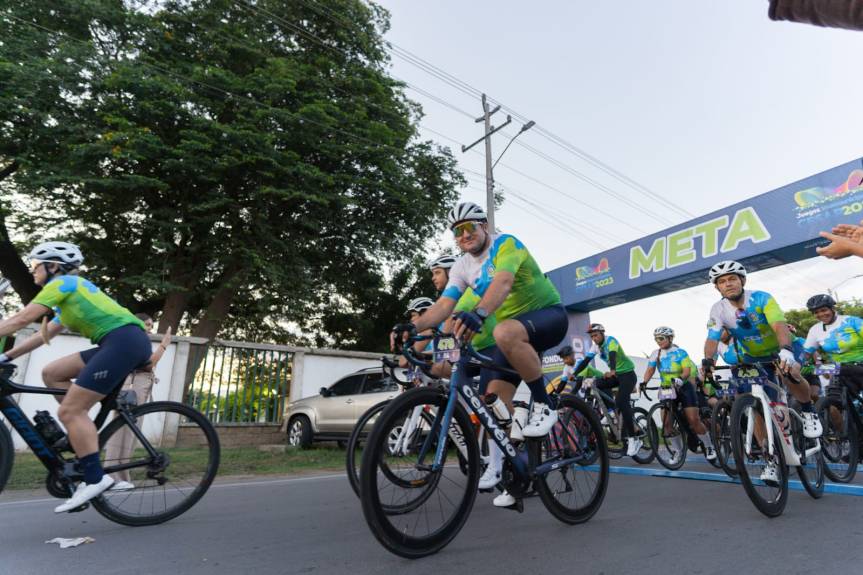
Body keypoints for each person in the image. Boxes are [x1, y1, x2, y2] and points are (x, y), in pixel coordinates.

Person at [397, 201, 567, 507]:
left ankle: (545, 404)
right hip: (510, 338)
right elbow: (445, 305)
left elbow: (503, 281)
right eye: (456, 233)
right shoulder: (462, 266)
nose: (463, 236)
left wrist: (481, 312)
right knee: (493, 399)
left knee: (503, 332)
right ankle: (516, 469)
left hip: (547, 316)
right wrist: (414, 327)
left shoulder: (506, 244)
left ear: (483, 226)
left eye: (468, 228)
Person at [0, 241, 152, 512]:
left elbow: (19, 321)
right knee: (52, 373)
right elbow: (41, 335)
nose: (32, 272)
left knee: (71, 411)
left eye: (35, 265)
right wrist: (8, 357)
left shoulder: (62, 284)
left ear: (54, 266)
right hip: (119, 342)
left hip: (124, 341)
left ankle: (95, 478)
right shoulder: (70, 295)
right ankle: (85, 424)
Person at [701, 260, 822, 483]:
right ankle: (771, 459)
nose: (728, 284)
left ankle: (808, 410)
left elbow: (778, 325)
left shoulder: (761, 297)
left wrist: (785, 350)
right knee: (754, 405)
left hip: (781, 346)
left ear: (742, 281)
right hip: (753, 356)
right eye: (722, 281)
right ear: (717, 288)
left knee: (790, 372)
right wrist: (708, 361)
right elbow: (712, 337)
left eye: (732, 279)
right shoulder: (717, 310)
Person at [103, 313, 172, 490]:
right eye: (147, 325)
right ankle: (115, 477)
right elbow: (147, 365)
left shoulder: (135, 339)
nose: (150, 328)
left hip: (133, 387)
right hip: (133, 388)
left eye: (151, 325)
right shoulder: (135, 340)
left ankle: (118, 477)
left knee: (128, 432)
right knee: (124, 432)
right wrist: (164, 345)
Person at [641, 327, 716, 462]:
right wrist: (644, 382)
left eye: (661, 338)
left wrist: (680, 379)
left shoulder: (680, 352)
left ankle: (709, 446)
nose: (658, 341)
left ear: (670, 338)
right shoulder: (655, 354)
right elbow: (650, 369)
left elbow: (687, 370)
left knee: (693, 420)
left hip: (683, 386)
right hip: (666, 388)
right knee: (666, 425)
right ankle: (678, 451)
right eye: (656, 339)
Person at [570, 324, 642, 457]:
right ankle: (611, 412)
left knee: (621, 401)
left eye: (596, 335)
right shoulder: (595, 346)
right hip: (615, 376)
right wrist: (575, 374)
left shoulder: (611, 341)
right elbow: (586, 361)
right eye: (592, 336)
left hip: (627, 374)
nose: (594, 338)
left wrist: (613, 370)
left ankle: (634, 439)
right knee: (596, 384)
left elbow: (613, 355)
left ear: (602, 333)